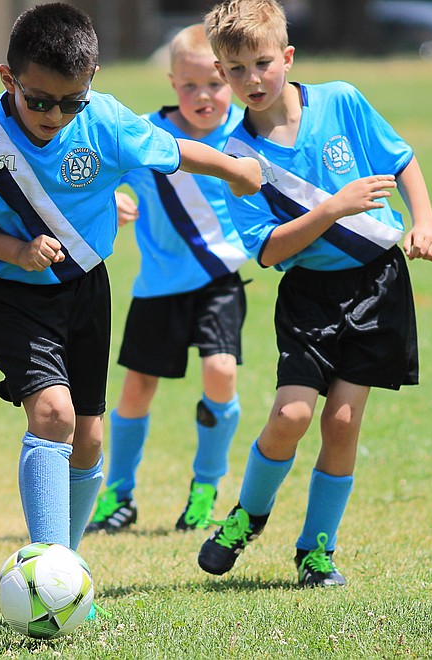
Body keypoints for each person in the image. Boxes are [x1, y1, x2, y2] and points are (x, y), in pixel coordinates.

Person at [0, 2, 262, 554]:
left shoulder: (104, 119)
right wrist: (14, 249)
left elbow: (172, 151)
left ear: (91, 82)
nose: (54, 115)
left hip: (85, 288)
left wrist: (234, 167)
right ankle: (47, 573)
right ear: (8, 78)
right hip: (8, 291)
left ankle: (66, 569)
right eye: (38, 101)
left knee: (88, 437)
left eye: (70, 102)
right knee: (52, 413)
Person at [197, 0, 432, 587]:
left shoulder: (339, 101)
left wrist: (425, 221)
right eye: (235, 70)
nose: (252, 80)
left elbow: (402, 160)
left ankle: (316, 550)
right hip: (309, 293)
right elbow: (270, 250)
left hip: (378, 286)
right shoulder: (237, 158)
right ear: (220, 72)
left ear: (286, 56)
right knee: (291, 414)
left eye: (262, 63)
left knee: (341, 422)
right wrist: (332, 208)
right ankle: (247, 516)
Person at [85, 24, 251, 535]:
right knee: (136, 389)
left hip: (220, 279)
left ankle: (205, 488)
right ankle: (119, 494)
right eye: (189, 86)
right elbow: (93, 174)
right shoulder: (145, 133)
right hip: (157, 286)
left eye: (216, 84)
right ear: (172, 80)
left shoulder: (247, 131)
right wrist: (107, 198)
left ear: (231, 78)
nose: (204, 97)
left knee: (221, 373)